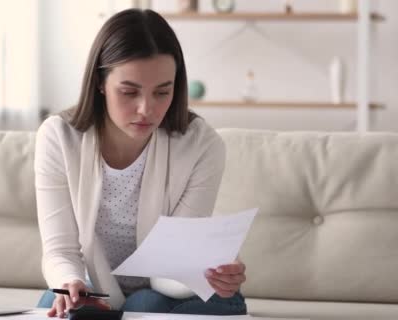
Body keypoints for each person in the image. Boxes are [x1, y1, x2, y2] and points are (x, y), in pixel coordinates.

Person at [34, 8, 246, 317]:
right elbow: (60, 251)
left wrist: (212, 271)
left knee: (144, 305)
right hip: (100, 285)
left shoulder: (201, 145)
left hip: (172, 287)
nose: (146, 109)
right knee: (54, 307)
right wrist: (71, 284)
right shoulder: (58, 138)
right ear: (100, 82)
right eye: (129, 92)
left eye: (163, 92)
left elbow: (171, 266)